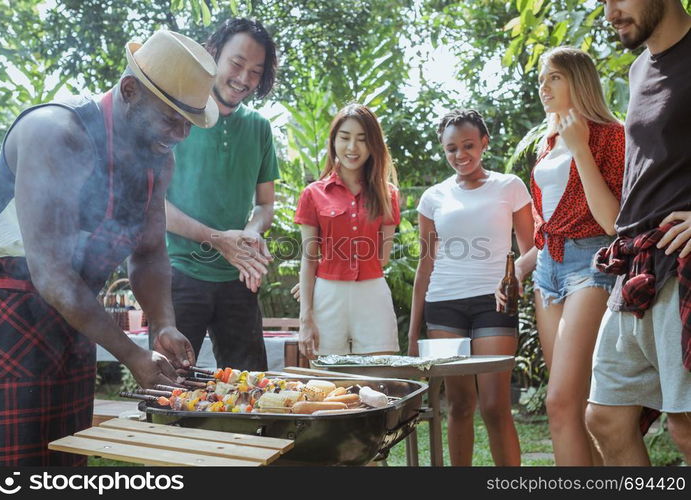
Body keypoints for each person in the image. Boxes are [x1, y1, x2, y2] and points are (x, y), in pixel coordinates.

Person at [0, 30, 215, 465]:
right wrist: (132, 354)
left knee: (67, 456)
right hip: (5, 313)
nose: (182, 133)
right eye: (172, 117)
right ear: (130, 90)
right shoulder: (54, 132)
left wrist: (163, 325)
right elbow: (52, 274)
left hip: (76, 318)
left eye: (190, 121)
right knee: (11, 464)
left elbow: (149, 253)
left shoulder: (158, 157)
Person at [497, 47, 625, 465]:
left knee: (560, 403)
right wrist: (522, 263)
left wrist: (581, 148)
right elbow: (549, 224)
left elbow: (611, 222)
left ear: (578, 80)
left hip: (592, 267)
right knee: (575, 405)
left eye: (553, 77)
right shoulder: (547, 146)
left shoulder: (611, 134)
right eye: (540, 80)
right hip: (547, 271)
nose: (543, 87)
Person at [586, 0, 691, 465]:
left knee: (686, 425)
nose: (609, 12)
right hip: (635, 266)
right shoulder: (638, 70)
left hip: (683, 264)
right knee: (605, 417)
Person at [408, 109, 534, 466]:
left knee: (495, 406)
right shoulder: (433, 197)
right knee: (459, 405)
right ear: (443, 150)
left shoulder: (509, 186)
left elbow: (535, 247)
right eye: (451, 149)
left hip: (493, 302)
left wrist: (518, 274)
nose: (460, 155)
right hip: (443, 304)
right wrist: (414, 332)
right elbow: (426, 262)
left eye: (468, 146)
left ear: (484, 143)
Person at [164, 18, 279, 371]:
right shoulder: (174, 117)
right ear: (213, 54)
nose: (244, 78)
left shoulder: (259, 128)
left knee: (250, 389)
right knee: (169, 388)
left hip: (237, 278)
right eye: (237, 63)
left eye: (256, 71)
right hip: (179, 274)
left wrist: (251, 231)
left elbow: (265, 204)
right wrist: (216, 238)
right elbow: (151, 204)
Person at [294, 103, 400, 359]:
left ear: (373, 144)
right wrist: (306, 316)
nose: (352, 147)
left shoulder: (388, 194)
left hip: (372, 293)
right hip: (328, 296)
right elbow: (309, 259)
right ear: (333, 141)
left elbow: (382, 257)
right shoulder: (313, 194)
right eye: (345, 138)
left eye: (362, 139)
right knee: (327, 386)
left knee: (381, 381)